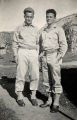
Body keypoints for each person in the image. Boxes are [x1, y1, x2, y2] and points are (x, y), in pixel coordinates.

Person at [39, 9, 68, 112]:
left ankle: (56, 103)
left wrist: (59, 57)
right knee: (46, 80)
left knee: (56, 80)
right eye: (47, 16)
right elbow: (41, 45)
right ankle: (49, 100)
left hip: (54, 56)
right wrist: (41, 55)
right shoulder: (43, 31)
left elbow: (64, 45)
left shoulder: (59, 29)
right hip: (44, 57)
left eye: (50, 16)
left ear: (55, 18)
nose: (48, 18)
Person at [12, 7, 39, 107]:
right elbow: (14, 43)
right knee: (21, 74)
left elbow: (38, 43)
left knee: (34, 74)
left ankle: (33, 96)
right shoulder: (18, 28)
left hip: (33, 52)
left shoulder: (36, 29)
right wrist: (15, 54)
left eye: (31, 17)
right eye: (27, 16)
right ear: (24, 16)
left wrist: (38, 55)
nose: (29, 19)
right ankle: (19, 96)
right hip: (22, 51)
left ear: (33, 17)